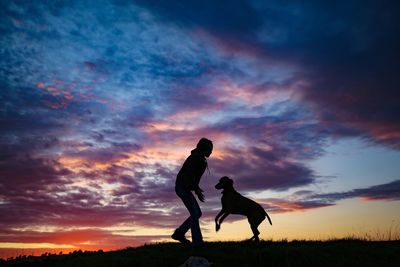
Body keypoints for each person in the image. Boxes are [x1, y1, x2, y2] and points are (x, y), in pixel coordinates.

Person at [172, 138, 213, 246]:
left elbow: (193, 177)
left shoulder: (200, 159)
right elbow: (189, 175)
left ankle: (179, 233)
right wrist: (196, 189)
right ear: (204, 149)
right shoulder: (195, 158)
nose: (211, 152)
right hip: (182, 188)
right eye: (210, 149)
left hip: (185, 187)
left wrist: (196, 189)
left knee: (197, 213)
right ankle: (198, 242)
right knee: (195, 214)